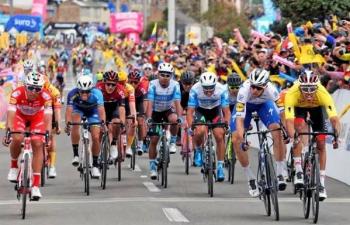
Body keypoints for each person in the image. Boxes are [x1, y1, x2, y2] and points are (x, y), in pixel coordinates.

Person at [284, 70, 341, 201]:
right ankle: (298, 170)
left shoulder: (322, 93)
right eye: (305, 89)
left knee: (321, 144)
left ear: (317, 86)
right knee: (298, 128)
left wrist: (336, 136)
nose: (309, 92)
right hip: (299, 108)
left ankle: (321, 184)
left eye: (312, 89)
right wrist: (294, 137)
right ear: (300, 86)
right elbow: (289, 120)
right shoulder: (292, 93)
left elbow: (334, 119)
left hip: (317, 109)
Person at [230, 68, 287, 197]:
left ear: (265, 86)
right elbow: (239, 118)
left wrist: (285, 130)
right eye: (253, 87)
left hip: (264, 105)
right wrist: (242, 137)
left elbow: (282, 113)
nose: (254, 90)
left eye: (258, 88)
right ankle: (250, 178)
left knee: (277, 131)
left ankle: (279, 173)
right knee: (236, 139)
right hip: (246, 107)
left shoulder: (272, 91)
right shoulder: (244, 91)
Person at [3, 71, 52, 200]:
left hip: (37, 117)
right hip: (20, 116)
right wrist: (8, 131)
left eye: (37, 89)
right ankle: (14, 167)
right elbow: (11, 113)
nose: (34, 91)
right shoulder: (17, 93)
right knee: (17, 137)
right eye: (31, 88)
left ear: (42, 88)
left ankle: (35, 186)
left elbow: (48, 117)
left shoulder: (46, 96)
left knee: (37, 142)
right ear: (25, 86)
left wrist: (48, 133)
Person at [186, 71, 230, 182]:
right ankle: (198, 150)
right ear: (201, 85)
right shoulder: (195, 89)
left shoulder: (222, 89)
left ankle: (220, 167)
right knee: (199, 130)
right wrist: (191, 127)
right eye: (206, 88)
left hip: (215, 111)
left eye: (211, 88)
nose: (209, 91)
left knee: (219, 135)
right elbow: (190, 111)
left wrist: (227, 124)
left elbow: (226, 111)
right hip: (201, 111)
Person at [146, 62, 183, 180]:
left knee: (174, 119)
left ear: (171, 76)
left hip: (167, 109)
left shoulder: (175, 85)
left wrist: (180, 117)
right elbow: (150, 103)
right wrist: (148, 118)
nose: (165, 78)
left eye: (168, 75)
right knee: (154, 140)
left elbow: (178, 103)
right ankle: (152, 167)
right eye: (162, 75)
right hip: (155, 111)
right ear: (158, 75)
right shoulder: (152, 84)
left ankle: (172, 141)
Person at [65, 75, 106, 179]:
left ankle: (95, 165)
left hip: (93, 111)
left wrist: (103, 123)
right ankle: (76, 155)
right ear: (78, 90)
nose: (84, 94)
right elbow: (69, 110)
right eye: (82, 92)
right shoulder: (72, 94)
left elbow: (101, 110)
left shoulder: (97, 93)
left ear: (91, 90)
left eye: (87, 91)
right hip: (78, 109)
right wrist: (68, 123)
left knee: (96, 137)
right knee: (75, 124)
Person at [96, 70, 126, 160]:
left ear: (117, 84)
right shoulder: (98, 89)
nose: (110, 87)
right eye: (108, 84)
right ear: (104, 82)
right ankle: (97, 153)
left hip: (113, 108)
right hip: (101, 108)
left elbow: (122, 108)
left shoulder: (120, 90)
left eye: (113, 85)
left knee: (117, 123)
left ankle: (113, 143)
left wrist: (122, 123)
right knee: (100, 131)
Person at [129, 68, 149, 155]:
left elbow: (145, 101)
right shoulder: (125, 87)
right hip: (129, 102)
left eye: (135, 82)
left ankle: (140, 143)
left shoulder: (142, 87)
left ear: (139, 82)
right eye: (131, 82)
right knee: (128, 119)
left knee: (140, 121)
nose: (133, 84)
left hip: (139, 102)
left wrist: (143, 114)